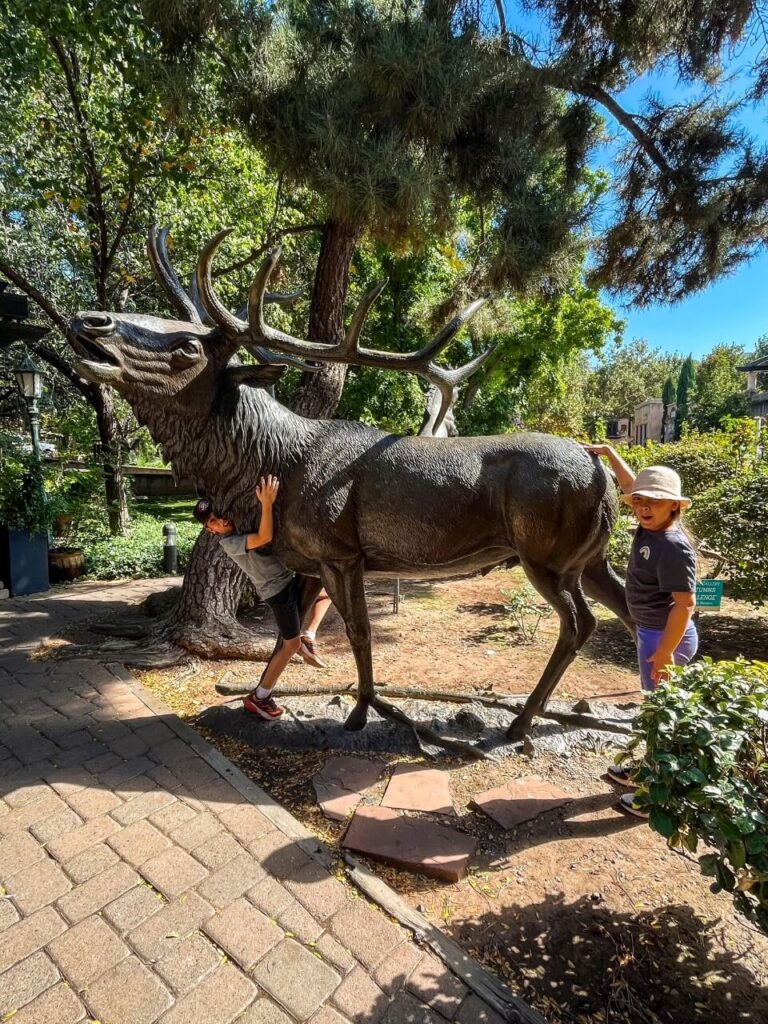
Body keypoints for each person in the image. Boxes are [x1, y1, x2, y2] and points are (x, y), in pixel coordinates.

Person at [582, 445, 698, 817]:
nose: (644, 507)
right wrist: (609, 452)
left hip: (666, 638)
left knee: (662, 716)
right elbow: (632, 484)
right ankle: (648, 772)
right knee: (655, 711)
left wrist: (665, 651)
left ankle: (657, 795)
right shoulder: (652, 526)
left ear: (675, 506)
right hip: (653, 633)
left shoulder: (672, 547)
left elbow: (686, 604)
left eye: (655, 502)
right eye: (640, 502)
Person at [193, 476, 331, 720]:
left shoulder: (240, 525)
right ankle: (260, 696)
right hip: (277, 593)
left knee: (324, 586)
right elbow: (264, 537)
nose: (220, 522)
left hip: (288, 580)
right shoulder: (230, 542)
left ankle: (308, 635)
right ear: (210, 530)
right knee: (290, 645)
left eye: (219, 515)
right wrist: (267, 502)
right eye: (213, 522)